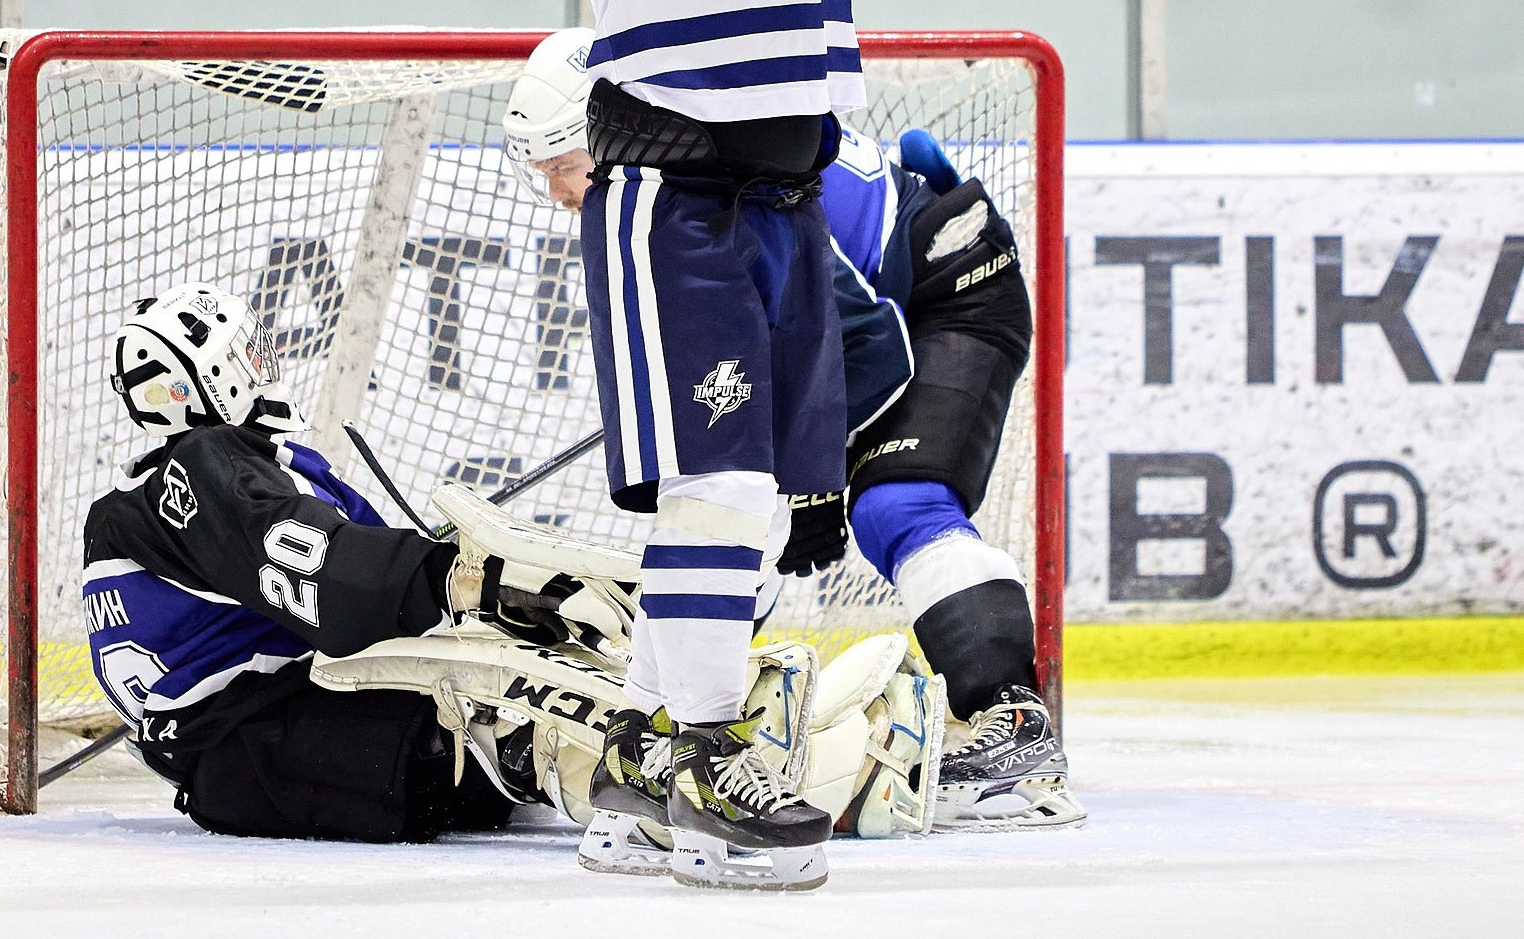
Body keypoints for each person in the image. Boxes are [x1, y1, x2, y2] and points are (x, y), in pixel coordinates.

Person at [409, 0, 939, 891]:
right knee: (712, 486)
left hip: (781, 185)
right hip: (674, 186)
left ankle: (653, 761)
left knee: (761, 501)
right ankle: (689, 750)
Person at [80, 279, 948, 855]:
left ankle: (755, 740)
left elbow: (352, 594)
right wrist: (477, 582)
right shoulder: (198, 474)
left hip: (276, 743)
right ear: (212, 375)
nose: (259, 371)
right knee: (498, 713)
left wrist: (477, 593)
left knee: (516, 667)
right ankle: (832, 775)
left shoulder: (217, 477)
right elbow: (332, 579)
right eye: (243, 358)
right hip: (267, 746)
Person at [505, 30, 1083, 830]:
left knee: (891, 505)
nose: (561, 194)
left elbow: (854, 343)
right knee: (753, 512)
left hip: (947, 296)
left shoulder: (705, 188)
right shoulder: (676, 179)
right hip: (869, 320)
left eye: (562, 167)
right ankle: (668, 730)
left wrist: (809, 476)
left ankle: (1012, 724)